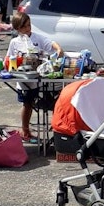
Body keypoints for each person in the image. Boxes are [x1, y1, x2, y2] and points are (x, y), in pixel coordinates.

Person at [7, 13, 62, 141]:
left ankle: (56, 128)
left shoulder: (37, 38)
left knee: (53, 100)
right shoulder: (15, 42)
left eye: (29, 25)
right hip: (24, 79)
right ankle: (25, 130)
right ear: (17, 29)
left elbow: (50, 43)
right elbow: (9, 59)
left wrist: (58, 49)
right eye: (24, 27)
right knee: (27, 104)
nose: (28, 29)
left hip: (38, 78)